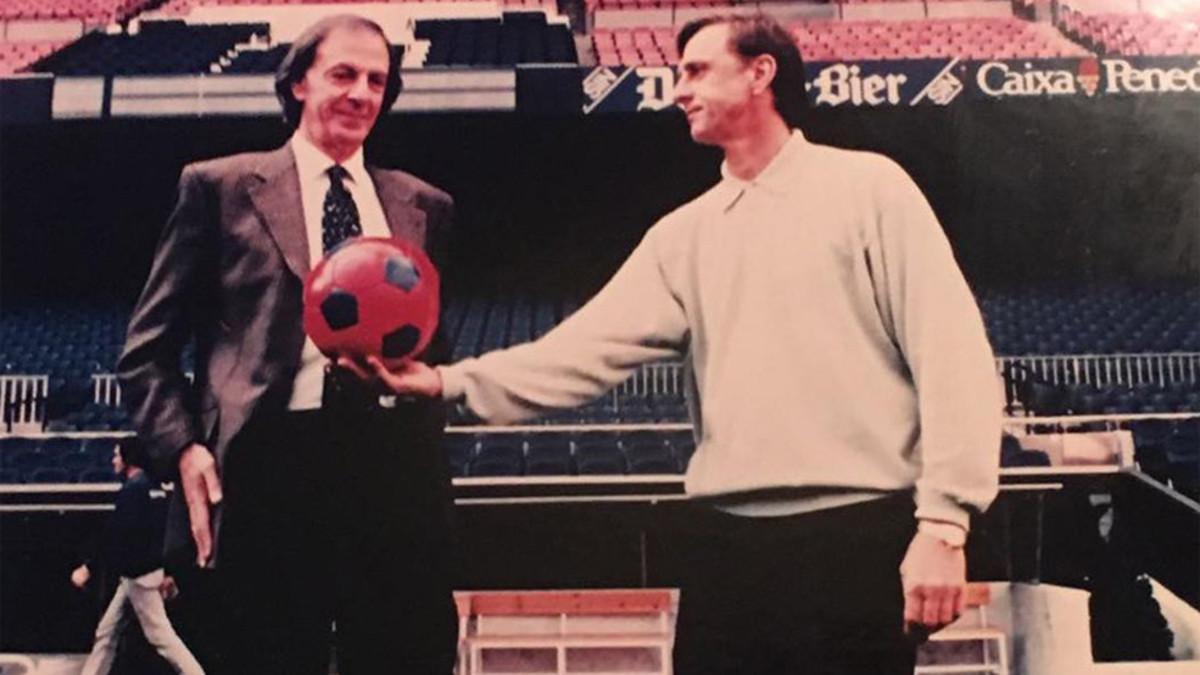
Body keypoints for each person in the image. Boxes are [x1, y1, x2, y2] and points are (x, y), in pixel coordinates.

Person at [345, 13, 1001, 674]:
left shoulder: (871, 189)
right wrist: (446, 382)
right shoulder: (683, 234)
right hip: (728, 546)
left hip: (860, 536)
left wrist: (944, 524)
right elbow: (580, 352)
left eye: (695, 71)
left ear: (760, 73)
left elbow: (952, 354)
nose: (677, 90)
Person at [116, 14, 458, 675]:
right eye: (343, 74)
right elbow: (147, 348)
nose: (362, 92)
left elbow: (434, 345)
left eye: (378, 80)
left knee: (405, 654)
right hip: (267, 465)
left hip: (392, 469)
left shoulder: (424, 205)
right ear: (298, 82)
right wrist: (185, 446)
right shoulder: (216, 188)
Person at [71, 438, 204, 675]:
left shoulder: (133, 490)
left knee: (162, 637)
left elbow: (116, 534)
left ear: (128, 459)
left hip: (139, 577)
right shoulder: (153, 488)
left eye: (117, 455)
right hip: (138, 575)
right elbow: (162, 536)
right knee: (107, 632)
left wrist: (88, 568)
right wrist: (167, 571)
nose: (113, 461)